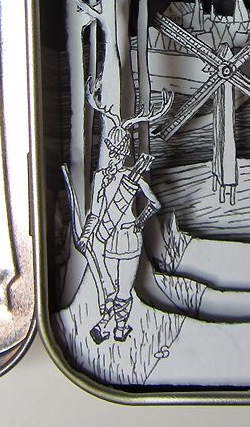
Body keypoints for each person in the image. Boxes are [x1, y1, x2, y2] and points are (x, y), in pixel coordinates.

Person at [78, 125, 160, 344]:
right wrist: (86, 236)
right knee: (116, 290)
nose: (115, 154)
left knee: (119, 289)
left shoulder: (123, 178)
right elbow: (95, 213)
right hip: (115, 239)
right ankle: (114, 326)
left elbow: (154, 203)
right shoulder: (105, 178)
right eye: (114, 150)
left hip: (121, 239)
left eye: (116, 150)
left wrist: (140, 221)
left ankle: (111, 327)